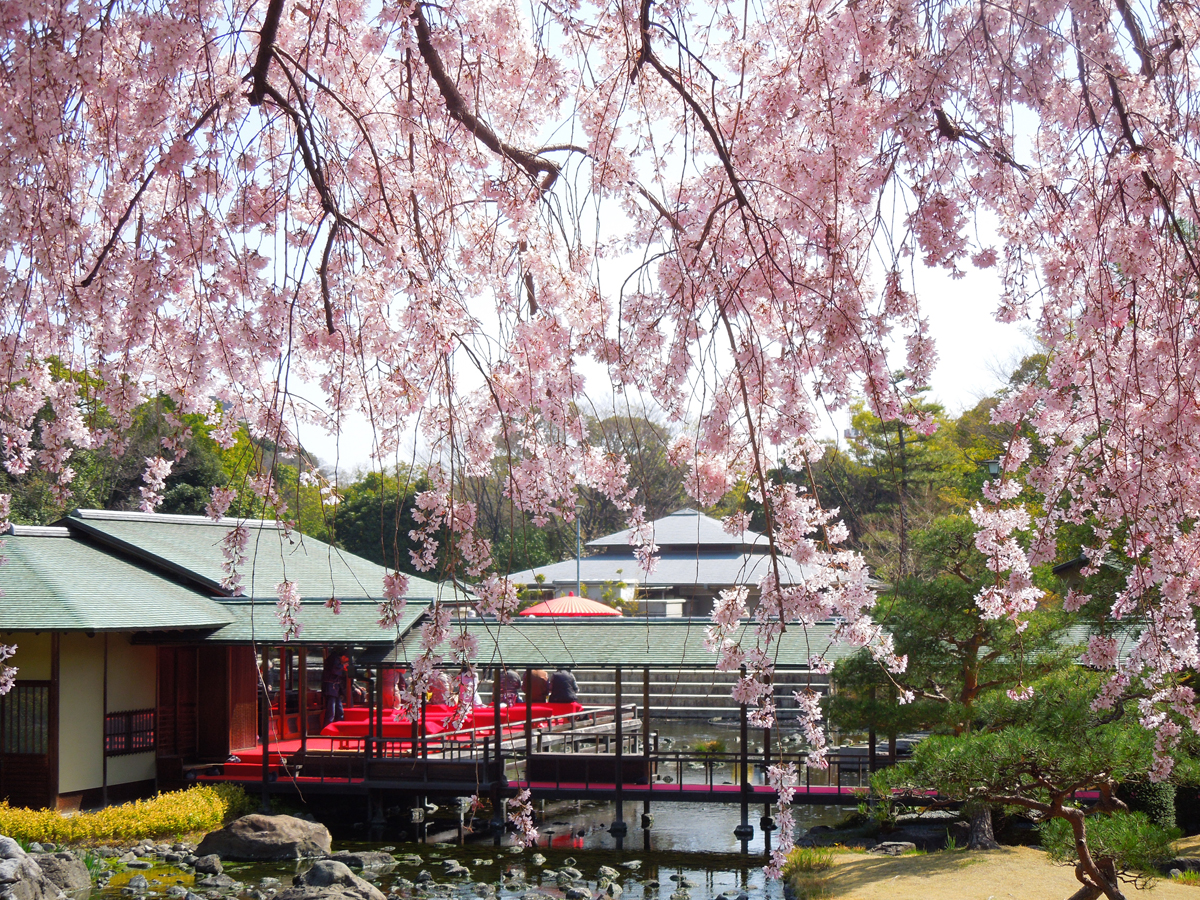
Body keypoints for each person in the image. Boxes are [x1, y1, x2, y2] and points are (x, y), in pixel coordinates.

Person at [321, 648, 350, 727]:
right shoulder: (334, 659)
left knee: (339, 710)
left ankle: (340, 728)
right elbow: (335, 670)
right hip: (330, 687)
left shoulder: (336, 660)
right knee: (331, 711)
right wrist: (343, 667)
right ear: (343, 657)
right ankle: (327, 729)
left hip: (335, 688)